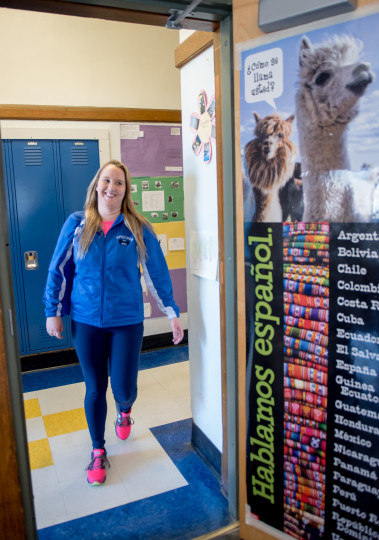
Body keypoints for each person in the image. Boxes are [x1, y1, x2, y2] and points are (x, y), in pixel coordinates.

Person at [43, 159, 184, 486]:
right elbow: (57, 268)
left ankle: (124, 410)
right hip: (86, 319)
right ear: (96, 185)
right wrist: (52, 310)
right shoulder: (77, 224)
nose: (111, 187)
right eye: (106, 181)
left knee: (124, 387)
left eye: (118, 183)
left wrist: (172, 312)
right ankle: (97, 450)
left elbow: (156, 273)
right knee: (95, 388)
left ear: (126, 190)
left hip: (126, 321)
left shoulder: (137, 227)